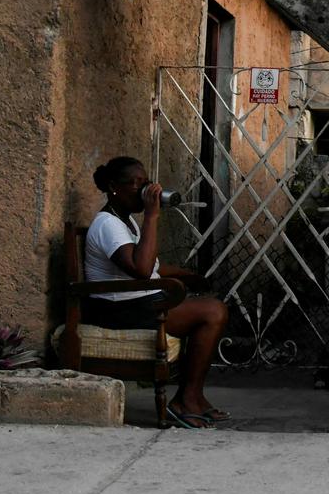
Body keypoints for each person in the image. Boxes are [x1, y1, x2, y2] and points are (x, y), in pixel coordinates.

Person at [86, 156, 229, 429]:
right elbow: (141, 270)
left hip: (138, 302)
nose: (144, 190)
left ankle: (193, 397)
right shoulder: (108, 225)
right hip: (118, 311)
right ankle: (184, 400)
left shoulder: (126, 222)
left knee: (211, 308)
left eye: (146, 183)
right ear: (114, 187)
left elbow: (152, 266)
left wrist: (189, 276)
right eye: (135, 184)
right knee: (213, 312)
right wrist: (152, 216)